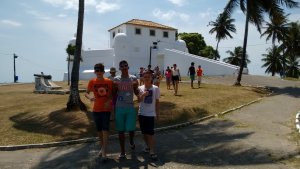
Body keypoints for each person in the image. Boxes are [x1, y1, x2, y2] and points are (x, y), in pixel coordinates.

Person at [85, 63, 113, 162]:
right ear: (94, 72)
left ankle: (104, 152)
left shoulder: (109, 82)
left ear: (103, 71)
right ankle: (102, 148)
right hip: (96, 110)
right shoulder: (92, 82)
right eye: (97, 70)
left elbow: (111, 95)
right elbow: (86, 93)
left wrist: (108, 102)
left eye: (100, 70)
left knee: (105, 130)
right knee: (99, 131)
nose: (99, 72)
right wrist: (90, 97)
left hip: (105, 110)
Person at [113, 60, 139, 158]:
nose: (124, 67)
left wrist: (140, 95)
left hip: (130, 107)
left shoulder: (133, 78)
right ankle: (123, 151)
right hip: (119, 107)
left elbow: (136, 91)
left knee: (131, 129)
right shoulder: (116, 79)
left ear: (128, 67)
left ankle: (131, 140)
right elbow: (114, 93)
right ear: (119, 68)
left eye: (125, 65)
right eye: (122, 66)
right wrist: (112, 106)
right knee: (120, 130)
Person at [137, 70, 160, 161]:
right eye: (145, 76)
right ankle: (148, 146)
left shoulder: (155, 88)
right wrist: (143, 95)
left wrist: (157, 113)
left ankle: (152, 151)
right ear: (143, 77)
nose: (146, 78)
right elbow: (138, 100)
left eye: (148, 77)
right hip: (141, 113)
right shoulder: (140, 88)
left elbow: (157, 102)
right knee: (144, 133)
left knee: (150, 133)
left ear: (151, 78)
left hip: (150, 114)